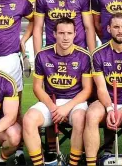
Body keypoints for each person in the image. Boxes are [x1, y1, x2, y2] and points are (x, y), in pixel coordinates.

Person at [22, 18, 93, 166]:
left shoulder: (84, 56)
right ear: (54, 34)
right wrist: (53, 108)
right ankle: (39, 163)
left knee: (80, 118)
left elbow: (87, 90)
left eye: (69, 33)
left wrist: (66, 108)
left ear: (75, 34)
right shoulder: (42, 55)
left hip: (76, 102)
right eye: (61, 33)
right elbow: (37, 87)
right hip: (51, 102)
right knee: (29, 119)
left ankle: (73, 163)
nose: (65, 37)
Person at [84, 14, 122, 166]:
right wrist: (109, 108)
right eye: (116, 27)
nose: (120, 31)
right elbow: (101, 88)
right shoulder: (98, 54)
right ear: (108, 28)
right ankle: (91, 163)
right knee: (92, 114)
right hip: (107, 101)